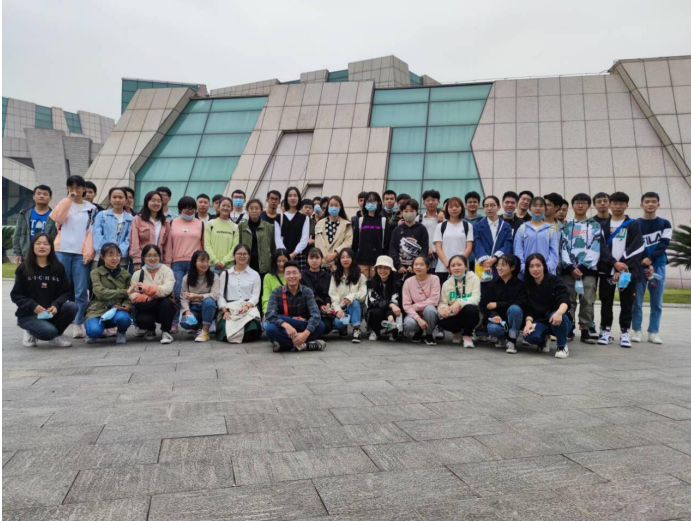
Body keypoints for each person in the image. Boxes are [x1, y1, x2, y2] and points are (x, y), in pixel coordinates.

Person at [48, 175, 97, 339]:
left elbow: (91, 233)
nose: (75, 190)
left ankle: (78, 322)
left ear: (84, 189)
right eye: (71, 187)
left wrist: (88, 253)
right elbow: (57, 219)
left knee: (81, 290)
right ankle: (58, 322)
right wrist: (68, 200)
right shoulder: (63, 204)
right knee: (61, 288)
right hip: (61, 250)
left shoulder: (92, 209)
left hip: (80, 254)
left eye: (78, 187)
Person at [11, 233, 77, 347]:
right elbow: (16, 295)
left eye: (46, 244)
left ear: (51, 247)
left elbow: (65, 292)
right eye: (38, 243)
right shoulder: (24, 268)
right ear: (32, 246)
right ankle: (30, 330)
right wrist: (32, 305)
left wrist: (56, 304)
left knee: (72, 306)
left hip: (50, 313)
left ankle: (57, 336)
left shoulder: (58, 267)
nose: (42, 246)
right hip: (29, 314)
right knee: (49, 332)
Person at [597, 192, 644, 348]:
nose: (618, 206)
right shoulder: (603, 225)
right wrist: (613, 263)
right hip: (607, 271)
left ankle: (624, 333)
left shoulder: (633, 224)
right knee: (606, 302)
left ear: (626, 205)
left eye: (621, 203)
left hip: (627, 272)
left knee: (627, 302)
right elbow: (600, 247)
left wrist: (621, 266)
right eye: (615, 203)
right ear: (610, 205)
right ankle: (605, 331)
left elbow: (637, 247)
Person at [560, 193, 602, 344]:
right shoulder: (566, 226)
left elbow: (596, 247)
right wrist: (570, 267)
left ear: (588, 205)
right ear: (572, 205)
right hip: (569, 272)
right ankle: (568, 329)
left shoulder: (595, 226)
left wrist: (583, 267)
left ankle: (585, 330)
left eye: (583, 202)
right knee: (568, 301)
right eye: (577, 202)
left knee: (587, 301)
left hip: (588, 271)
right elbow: (563, 247)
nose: (580, 205)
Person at [632, 192, 671, 345]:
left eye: (653, 201)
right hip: (639, 265)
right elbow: (634, 244)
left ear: (658, 205)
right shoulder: (635, 224)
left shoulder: (665, 223)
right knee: (637, 301)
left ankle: (653, 332)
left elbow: (664, 244)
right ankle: (636, 330)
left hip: (658, 265)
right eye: (647, 201)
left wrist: (651, 260)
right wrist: (644, 260)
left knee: (657, 302)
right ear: (641, 204)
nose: (650, 204)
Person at [264, 261, 326, 352]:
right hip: (285, 326)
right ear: (284, 276)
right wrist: (286, 325)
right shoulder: (276, 292)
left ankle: (284, 345)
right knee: (270, 329)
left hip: (302, 324)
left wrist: (305, 334)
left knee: (320, 325)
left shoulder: (307, 291)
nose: (291, 276)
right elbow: (270, 313)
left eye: (294, 273)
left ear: (300, 276)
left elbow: (316, 314)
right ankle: (305, 345)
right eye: (288, 273)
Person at [521, 253, 572, 359]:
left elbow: (564, 299)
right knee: (528, 337)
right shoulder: (527, 285)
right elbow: (528, 308)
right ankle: (544, 340)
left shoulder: (555, 280)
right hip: (540, 321)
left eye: (538, 265)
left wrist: (559, 312)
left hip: (558, 319)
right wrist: (528, 322)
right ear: (528, 269)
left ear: (544, 266)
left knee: (557, 317)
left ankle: (562, 346)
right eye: (531, 266)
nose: (535, 269)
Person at [168, 196, 205, 332]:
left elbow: (203, 245)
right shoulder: (172, 222)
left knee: (192, 294)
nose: (189, 211)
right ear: (180, 209)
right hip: (176, 263)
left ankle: (192, 322)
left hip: (194, 263)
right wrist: (168, 262)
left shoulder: (200, 224)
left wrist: (203, 263)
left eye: (192, 208)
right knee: (177, 293)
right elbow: (169, 245)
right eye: (186, 208)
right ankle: (174, 322)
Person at [84, 242, 132, 345]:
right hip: (98, 309)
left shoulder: (126, 274)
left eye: (117, 255)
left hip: (117, 309)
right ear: (102, 256)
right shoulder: (95, 272)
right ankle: (96, 331)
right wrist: (123, 292)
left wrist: (126, 305)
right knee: (94, 331)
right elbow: (100, 292)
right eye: (111, 255)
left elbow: (129, 296)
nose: (115, 258)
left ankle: (121, 331)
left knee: (123, 318)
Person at [128, 244, 176, 344]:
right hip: (147, 305)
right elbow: (132, 295)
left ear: (160, 256)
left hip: (163, 305)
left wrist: (145, 288)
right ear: (143, 258)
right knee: (142, 319)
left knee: (167, 303)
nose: (152, 258)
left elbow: (166, 290)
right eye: (149, 255)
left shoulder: (167, 271)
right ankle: (150, 329)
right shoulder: (137, 274)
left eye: (155, 255)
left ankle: (165, 331)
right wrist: (148, 298)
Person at [218, 244, 262, 343]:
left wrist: (247, 306)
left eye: (245, 254)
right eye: (239, 254)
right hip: (230, 308)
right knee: (224, 329)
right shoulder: (225, 274)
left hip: (248, 307)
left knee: (252, 327)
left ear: (249, 256)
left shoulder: (255, 274)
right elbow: (220, 296)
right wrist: (225, 311)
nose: (242, 256)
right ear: (234, 255)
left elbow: (255, 296)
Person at [485, 254, 525, 354]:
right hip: (499, 321)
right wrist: (494, 315)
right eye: (497, 265)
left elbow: (521, 302)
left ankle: (512, 340)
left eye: (503, 265)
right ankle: (503, 339)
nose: (499, 268)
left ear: (512, 267)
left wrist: (498, 304)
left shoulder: (521, 285)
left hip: (515, 320)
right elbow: (486, 305)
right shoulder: (492, 284)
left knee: (515, 308)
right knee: (493, 328)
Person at [438, 254, 481, 348]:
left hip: (468, 313)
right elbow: (443, 302)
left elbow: (476, 299)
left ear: (465, 267)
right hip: (453, 314)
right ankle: (456, 332)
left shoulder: (474, 279)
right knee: (443, 320)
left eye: (459, 265)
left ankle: (467, 335)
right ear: (449, 269)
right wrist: (442, 309)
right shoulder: (446, 284)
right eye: (453, 266)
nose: (456, 268)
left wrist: (459, 302)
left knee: (471, 309)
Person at [513, 197, 560, 276]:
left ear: (545, 209)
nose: (538, 208)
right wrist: (524, 268)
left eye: (541, 206)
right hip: (525, 274)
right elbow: (518, 251)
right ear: (529, 209)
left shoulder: (551, 230)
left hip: (546, 274)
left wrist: (546, 268)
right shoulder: (522, 228)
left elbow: (554, 253)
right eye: (534, 205)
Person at [180, 250, 219, 342]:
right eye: (202, 261)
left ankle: (205, 331)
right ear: (194, 262)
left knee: (209, 301)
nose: (205, 264)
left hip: (208, 307)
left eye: (207, 261)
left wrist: (197, 296)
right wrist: (187, 311)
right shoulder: (187, 278)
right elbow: (184, 298)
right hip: (193, 308)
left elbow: (215, 295)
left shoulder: (214, 276)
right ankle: (198, 326)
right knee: (185, 323)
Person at [329, 248, 367, 343]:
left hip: (356, 309)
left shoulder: (360, 276)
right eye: (342, 257)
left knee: (355, 302)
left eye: (348, 257)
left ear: (353, 259)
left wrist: (351, 297)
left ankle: (357, 329)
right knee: (337, 323)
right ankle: (342, 328)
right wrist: (337, 310)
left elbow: (363, 294)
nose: (345, 260)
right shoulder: (335, 276)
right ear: (339, 260)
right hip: (341, 309)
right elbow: (333, 296)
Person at [92, 187, 134, 270]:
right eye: (114, 197)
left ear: (126, 200)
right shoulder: (102, 215)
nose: (117, 200)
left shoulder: (131, 219)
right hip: (101, 258)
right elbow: (97, 235)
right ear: (110, 199)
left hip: (121, 260)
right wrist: (106, 252)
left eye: (120, 197)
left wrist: (117, 254)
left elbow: (129, 239)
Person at [402, 255, 441, 345]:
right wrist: (418, 319)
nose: (418, 267)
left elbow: (434, 300)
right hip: (415, 313)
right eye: (416, 264)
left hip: (429, 312)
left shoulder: (434, 279)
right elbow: (406, 305)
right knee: (408, 324)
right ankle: (418, 332)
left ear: (428, 267)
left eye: (421, 265)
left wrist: (415, 306)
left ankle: (429, 334)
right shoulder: (408, 282)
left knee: (430, 309)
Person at [473, 195, 514, 280]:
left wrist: (495, 258)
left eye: (492, 205)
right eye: (486, 206)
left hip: (501, 264)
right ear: (483, 208)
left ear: (498, 207)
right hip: (484, 266)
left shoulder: (506, 226)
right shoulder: (478, 226)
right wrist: (485, 261)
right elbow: (477, 244)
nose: (489, 208)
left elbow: (508, 243)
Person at [434, 197, 473, 284]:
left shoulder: (467, 226)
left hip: (462, 268)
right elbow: (438, 248)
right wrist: (448, 265)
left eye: (457, 206)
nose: (454, 209)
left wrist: (458, 264)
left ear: (462, 208)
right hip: (443, 268)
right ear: (446, 209)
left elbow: (469, 247)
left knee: (463, 291)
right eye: (451, 207)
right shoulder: (440, 226)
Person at [352, 191, 391, 279]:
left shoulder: (383, 221)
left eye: (373, 201)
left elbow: (387, 242)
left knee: (375, 284)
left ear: (379, 203)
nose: (370, 203)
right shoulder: (361, 220)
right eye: (368, 201)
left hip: (378, 262)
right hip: (361, 261)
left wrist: (384, 259)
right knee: (361, 284)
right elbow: (355, 242)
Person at [130, 191, 170, 271]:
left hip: (158, 261)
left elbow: (168, 244)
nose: (156, 203)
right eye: (153, 200)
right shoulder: (138, 219)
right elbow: (134, 241)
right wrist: (136, 261)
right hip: (142, 260)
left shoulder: (165, 222)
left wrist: (167, 262)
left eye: (159, 201)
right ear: (147, 202)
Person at [365, 255, 402, 341]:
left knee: (396, 309)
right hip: (376, 311)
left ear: (391, 269)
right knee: (376, 311)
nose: (382, 270)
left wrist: (390, 313)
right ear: (376, 269)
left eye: (386, 268)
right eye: (380, 267)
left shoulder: (397, 284)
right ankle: (375, 331)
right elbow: (375, 301)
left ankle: (393, 330)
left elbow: (395, 301)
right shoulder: (370, 283)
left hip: (391, 313)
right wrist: (391, 305)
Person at [389, 199, 429, 279]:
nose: (409, 213)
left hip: (417, 270)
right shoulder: (397, 230)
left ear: (416, 212)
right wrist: (398, 265)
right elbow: (392, 249)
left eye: (411, 211)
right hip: (399, 270)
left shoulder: (422, 229)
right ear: (401, 212)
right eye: (406, 211)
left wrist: (414, 265)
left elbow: (424, 249)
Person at [13, 185, 53, 264]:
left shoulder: (54, 216)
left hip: (48, 255)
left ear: (50, 198)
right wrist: (17, 253)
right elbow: (17, 234)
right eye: (38, 194)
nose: (41, 196)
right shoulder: (24, 214)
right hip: (27, 254)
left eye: (45, 194)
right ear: (33, 197)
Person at [238, 199, 277, 278]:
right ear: (247, 210)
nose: (254, 211)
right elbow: (238, 245)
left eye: (257, 208)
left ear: (261, 210)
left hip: (263, 264)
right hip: (246, 263)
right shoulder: (241, 226)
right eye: (251, 208)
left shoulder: (268, 226)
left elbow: (273, 247)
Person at [301, 247, 334, 335]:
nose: (314, 261)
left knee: (327, 326)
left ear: (321, 259)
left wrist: (328, 303)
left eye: (317, 258)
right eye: (311, 258)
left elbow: (328, 293)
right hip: (308, 309)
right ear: (307, 259)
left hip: (324, 310)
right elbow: (308, 294)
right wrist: (320, 305)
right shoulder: (302, 275)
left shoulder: (327, 276)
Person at [314, 195, 352, 271]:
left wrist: (335, 254)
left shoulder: (347, 224)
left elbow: (348, 242)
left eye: (336, 205)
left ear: (340, 207)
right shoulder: (319, 223)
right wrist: (327, 259)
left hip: (340, 262)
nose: (333, 207)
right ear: (328, 207)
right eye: (331, 205)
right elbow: (318, 242)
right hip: (323, 262)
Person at [276, 186, 310, 270]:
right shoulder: (279, 218)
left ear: (299, 198)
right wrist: (285, 254)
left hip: (299, 255)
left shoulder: (304, 218)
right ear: (286, 198)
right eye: (290, 195)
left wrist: (294, 253)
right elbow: (277, 238)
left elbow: (305, 238)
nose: (292, 198)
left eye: (295, 195)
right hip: (282, 256)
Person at [204, 197, 239, 272]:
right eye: (223, 205)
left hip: (228, 267)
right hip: (211, 266)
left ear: (232, 209)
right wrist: (215, 261)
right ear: (219, 207)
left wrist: (223, 262)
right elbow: (206, 244)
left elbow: (235, 247)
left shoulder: (235, 227)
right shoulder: (210, 224)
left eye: (228, 206)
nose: (225, 208)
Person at [418, 189, 444, 271]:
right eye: (428, 200)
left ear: (438, 202)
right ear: (424, 203)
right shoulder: (418, 219)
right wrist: (426, 248)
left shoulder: (444, 219)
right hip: (423, 256)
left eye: (433, 200)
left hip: (441, 257)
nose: (430, 202)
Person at [262, 248, 289, 314]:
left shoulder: (293, 275)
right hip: (274, 311)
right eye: (278, 261)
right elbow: (266, 298)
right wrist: (266, 313)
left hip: (292, 310)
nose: (281, 264)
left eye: (284, 261)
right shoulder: (268, 277)